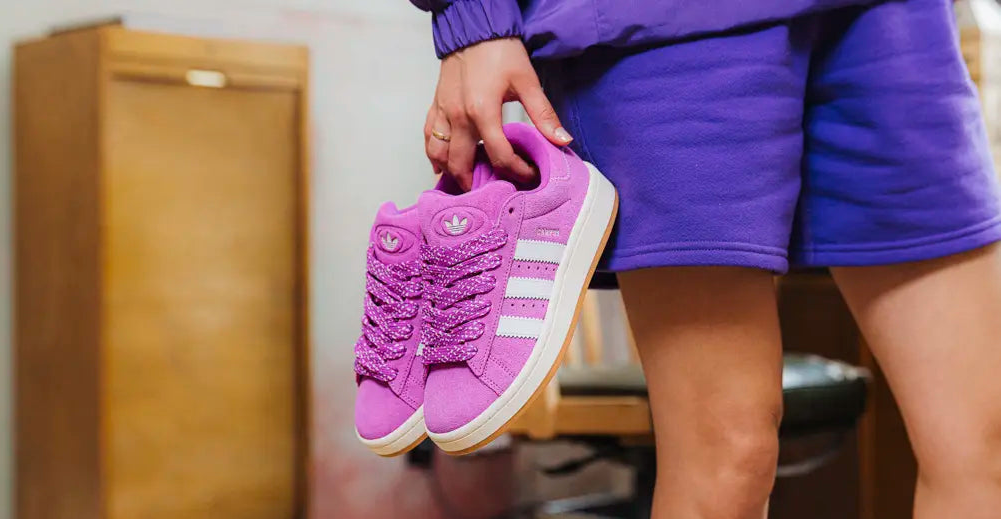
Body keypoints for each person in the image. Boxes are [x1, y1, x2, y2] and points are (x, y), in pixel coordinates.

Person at [408, 0, 1001, 518]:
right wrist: (471, 18)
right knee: (726, 463)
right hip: (664, 30)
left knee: (984, 445)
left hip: (891, 21)